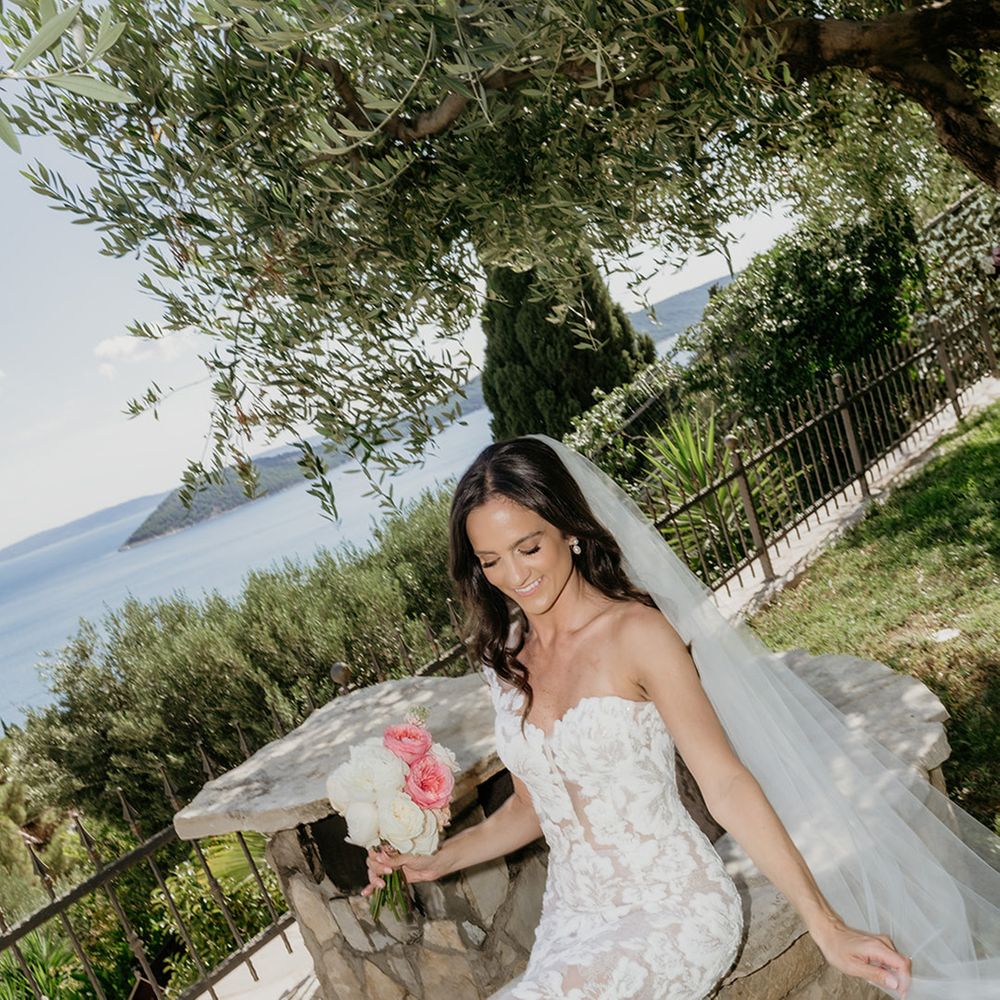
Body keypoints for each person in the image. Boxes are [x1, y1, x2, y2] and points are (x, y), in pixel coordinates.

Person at [362, 435, 1000, 999]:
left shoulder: (638, 633)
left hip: (673, 908)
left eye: (527, 547)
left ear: (569, 531)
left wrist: (824, 923)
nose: (514, 576)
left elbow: (725, 783)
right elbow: (534, 808)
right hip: (571, 924)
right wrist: (436, 861)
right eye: (491, 561)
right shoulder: (506, 659)